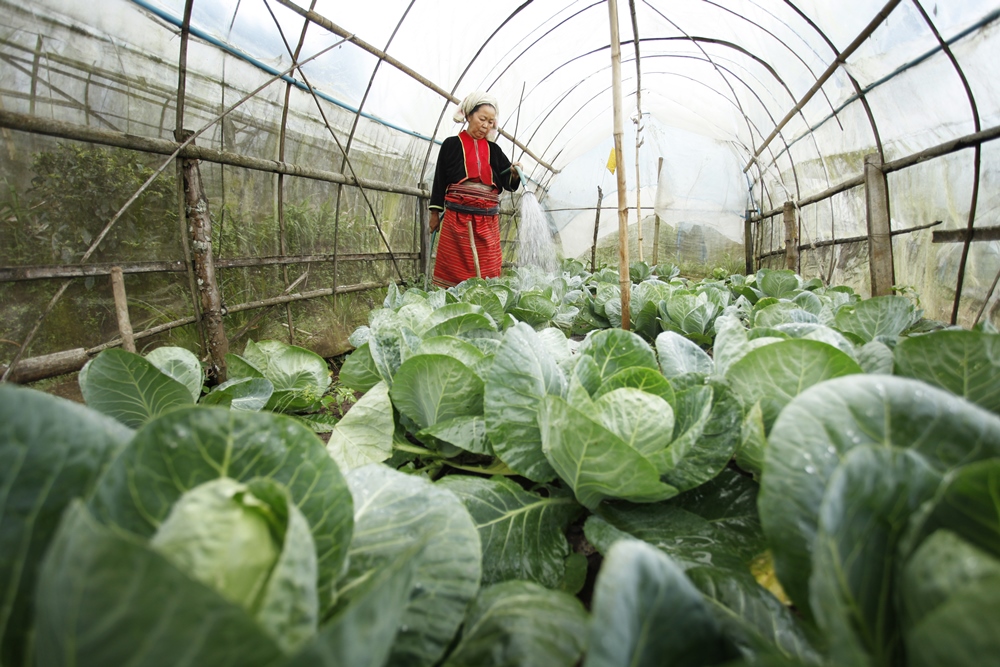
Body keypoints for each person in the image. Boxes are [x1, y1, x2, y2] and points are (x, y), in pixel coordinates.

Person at [429, 91, 522, 288]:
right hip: (457, 219)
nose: (486, 125)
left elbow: (507, 181)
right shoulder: (451, 145)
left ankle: (483, 302)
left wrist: (514, 173)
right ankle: (451, 301)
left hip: (487, 220)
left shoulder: (494, 150)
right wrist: (434, 214)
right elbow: (439, 180)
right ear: (469, 115)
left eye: (490, 122)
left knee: (487, 268)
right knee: (453, 267)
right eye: (482, 119)